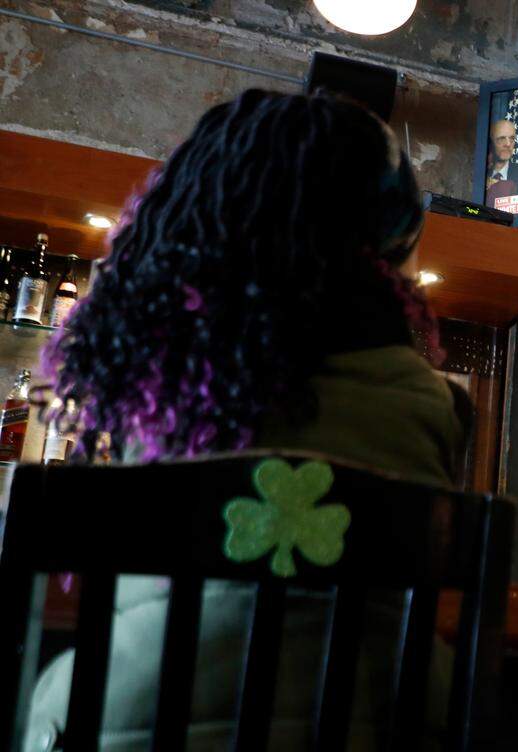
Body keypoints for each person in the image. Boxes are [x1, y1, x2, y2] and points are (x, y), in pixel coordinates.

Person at [26, 89, 462, 751]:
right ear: (385, 231)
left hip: (140, 714)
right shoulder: (433, 404)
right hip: (380, 718)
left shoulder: (162, 378)